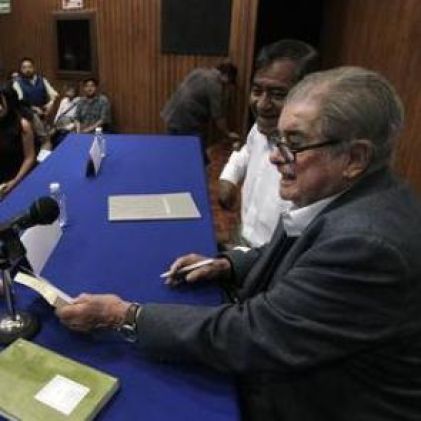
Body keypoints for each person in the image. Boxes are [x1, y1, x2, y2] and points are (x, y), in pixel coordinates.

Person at [56, 67, 421, 421]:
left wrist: (123, 315)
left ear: (354, 158)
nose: (275, 156)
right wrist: (228, 264)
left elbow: (252, 335)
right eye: (278, 140)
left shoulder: (366, 246)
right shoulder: (350, 196)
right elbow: (298, 253)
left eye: (294, 143)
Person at [219, 39, 318, 247]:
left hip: (270, 253)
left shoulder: (315, 155)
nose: (262, 104)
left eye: (278, 94)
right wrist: (229, 178)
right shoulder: (259, 127)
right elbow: (246, 152)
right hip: (242, 232)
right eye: (257, 91)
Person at [161, 62, 239, 162]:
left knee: (173, 151)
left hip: (171, 113)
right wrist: (228, 133)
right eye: (228, 83)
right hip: (187, 120)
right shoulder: (215, 85)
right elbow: (218, 116)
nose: (226, 87)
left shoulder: (198, 72)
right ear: (226, 76)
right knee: (199, 157)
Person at [13, 57, 59, 150]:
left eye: (29, 67)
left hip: (43, 113)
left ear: (34, 68)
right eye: (24, 67)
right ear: (21, 70)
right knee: (45, 139)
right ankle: (45, 143)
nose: (27, 70)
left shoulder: (42, 80)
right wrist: (34, 108)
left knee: (50, 135)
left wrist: (50, 104)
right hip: (27, 113)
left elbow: (54, 94)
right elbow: (20, 101)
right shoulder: (17, 83)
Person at [0, 86, 35, 199]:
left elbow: (29, 157)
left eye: (1, 103)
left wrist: (14, 182)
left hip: (15, 177)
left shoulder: (23, 125)